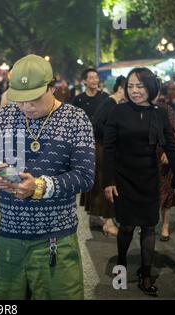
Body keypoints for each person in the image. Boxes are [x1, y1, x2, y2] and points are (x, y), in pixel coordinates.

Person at [0, 54, 95, 300]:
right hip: (9, 235)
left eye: (34, 100)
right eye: (20, 101)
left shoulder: (76, 119)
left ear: (53, 87)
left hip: (56, 238)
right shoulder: (4, 116)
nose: (26, 107)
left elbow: (84, 176)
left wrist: (39, 186)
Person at [103, 67, 175, 297]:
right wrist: (108, 180)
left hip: (150, 177)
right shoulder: (118, 112)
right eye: (130, 86)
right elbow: (108, 149)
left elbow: (170, 146)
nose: (134, 91)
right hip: (124, 178)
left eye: (139, 86)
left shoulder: (159, 113)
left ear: (150, 87)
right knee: (127, 226)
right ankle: (121, 264)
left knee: (149, 226)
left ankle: (146, 274)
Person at [84, 76, 127, 236]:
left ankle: (100, 217)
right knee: (107, 182)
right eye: (129, 88)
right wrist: (113, 135)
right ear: (121, 89)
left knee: (102, 182)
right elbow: (96, 125)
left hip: (103, 147)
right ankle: (108, 222)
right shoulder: (110, 103)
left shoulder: (114, 103)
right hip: (102, 149)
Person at [73, 68, 109, 228]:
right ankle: (93, 211)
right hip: (85, 143)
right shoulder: (78, 100)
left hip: (103, 141)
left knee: (103, 176)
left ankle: (104, 212)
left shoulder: (105, 98)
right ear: (85, 81)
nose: (94, 80)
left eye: (96, 78)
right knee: (90, 177)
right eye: (91, 78)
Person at [155, 94, 175, 242]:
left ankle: (165, 225)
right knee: (148, 192)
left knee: (166, 192)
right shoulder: (139, 108)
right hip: (145, 158)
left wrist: (167, 152)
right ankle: (148, 224)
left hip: (164, 157)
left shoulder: (166, 109)